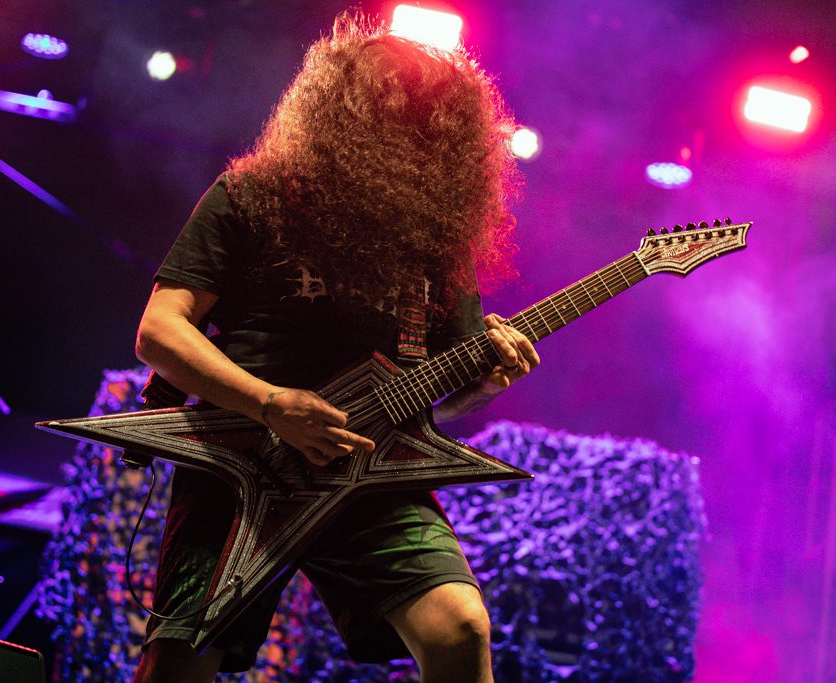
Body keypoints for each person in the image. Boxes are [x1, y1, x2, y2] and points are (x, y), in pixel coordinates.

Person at [131, 13, 539, 683]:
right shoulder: (251, 195)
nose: (417, 135)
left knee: (461, 630)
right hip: (244, 466)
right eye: (402, 116)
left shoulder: (436, 238)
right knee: (178, 667)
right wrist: (269, 403)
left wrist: (489, 382)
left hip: (375, 477)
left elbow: (446, 397)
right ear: (347, 114)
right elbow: (160, 331)